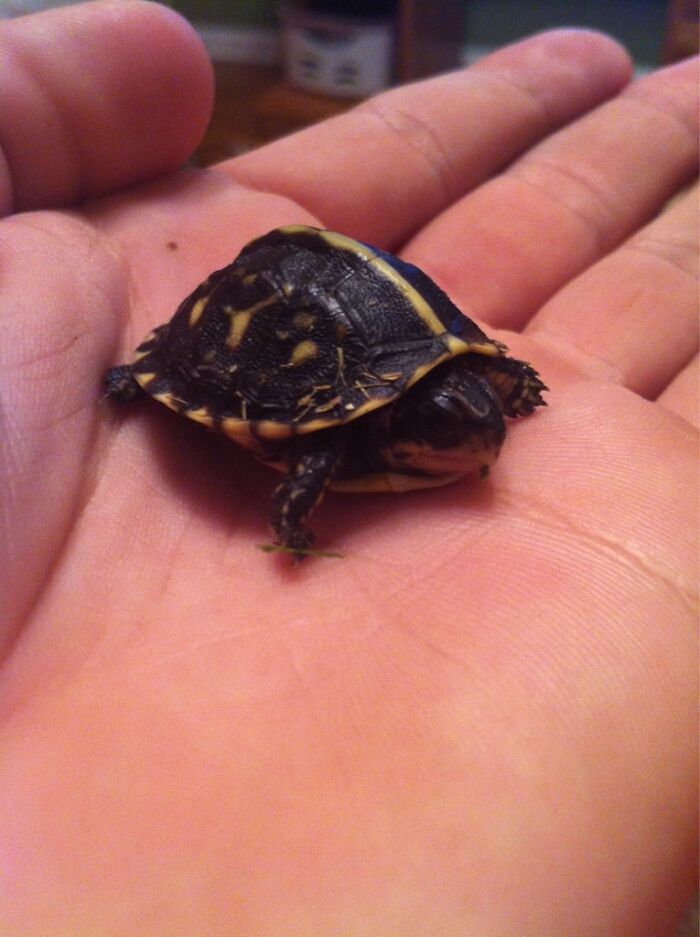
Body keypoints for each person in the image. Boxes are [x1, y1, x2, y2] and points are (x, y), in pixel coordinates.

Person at [0, 2, 696, 934]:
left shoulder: (460, 395)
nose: (481, 437)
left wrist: (501, 381)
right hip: (258, 335)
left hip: (409, 333)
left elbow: (477, 371)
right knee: (232, 407)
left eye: (482, 418)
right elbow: (313, 440)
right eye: (461, 428)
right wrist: (293, 521)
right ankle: (157, 370)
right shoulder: (341, 433)